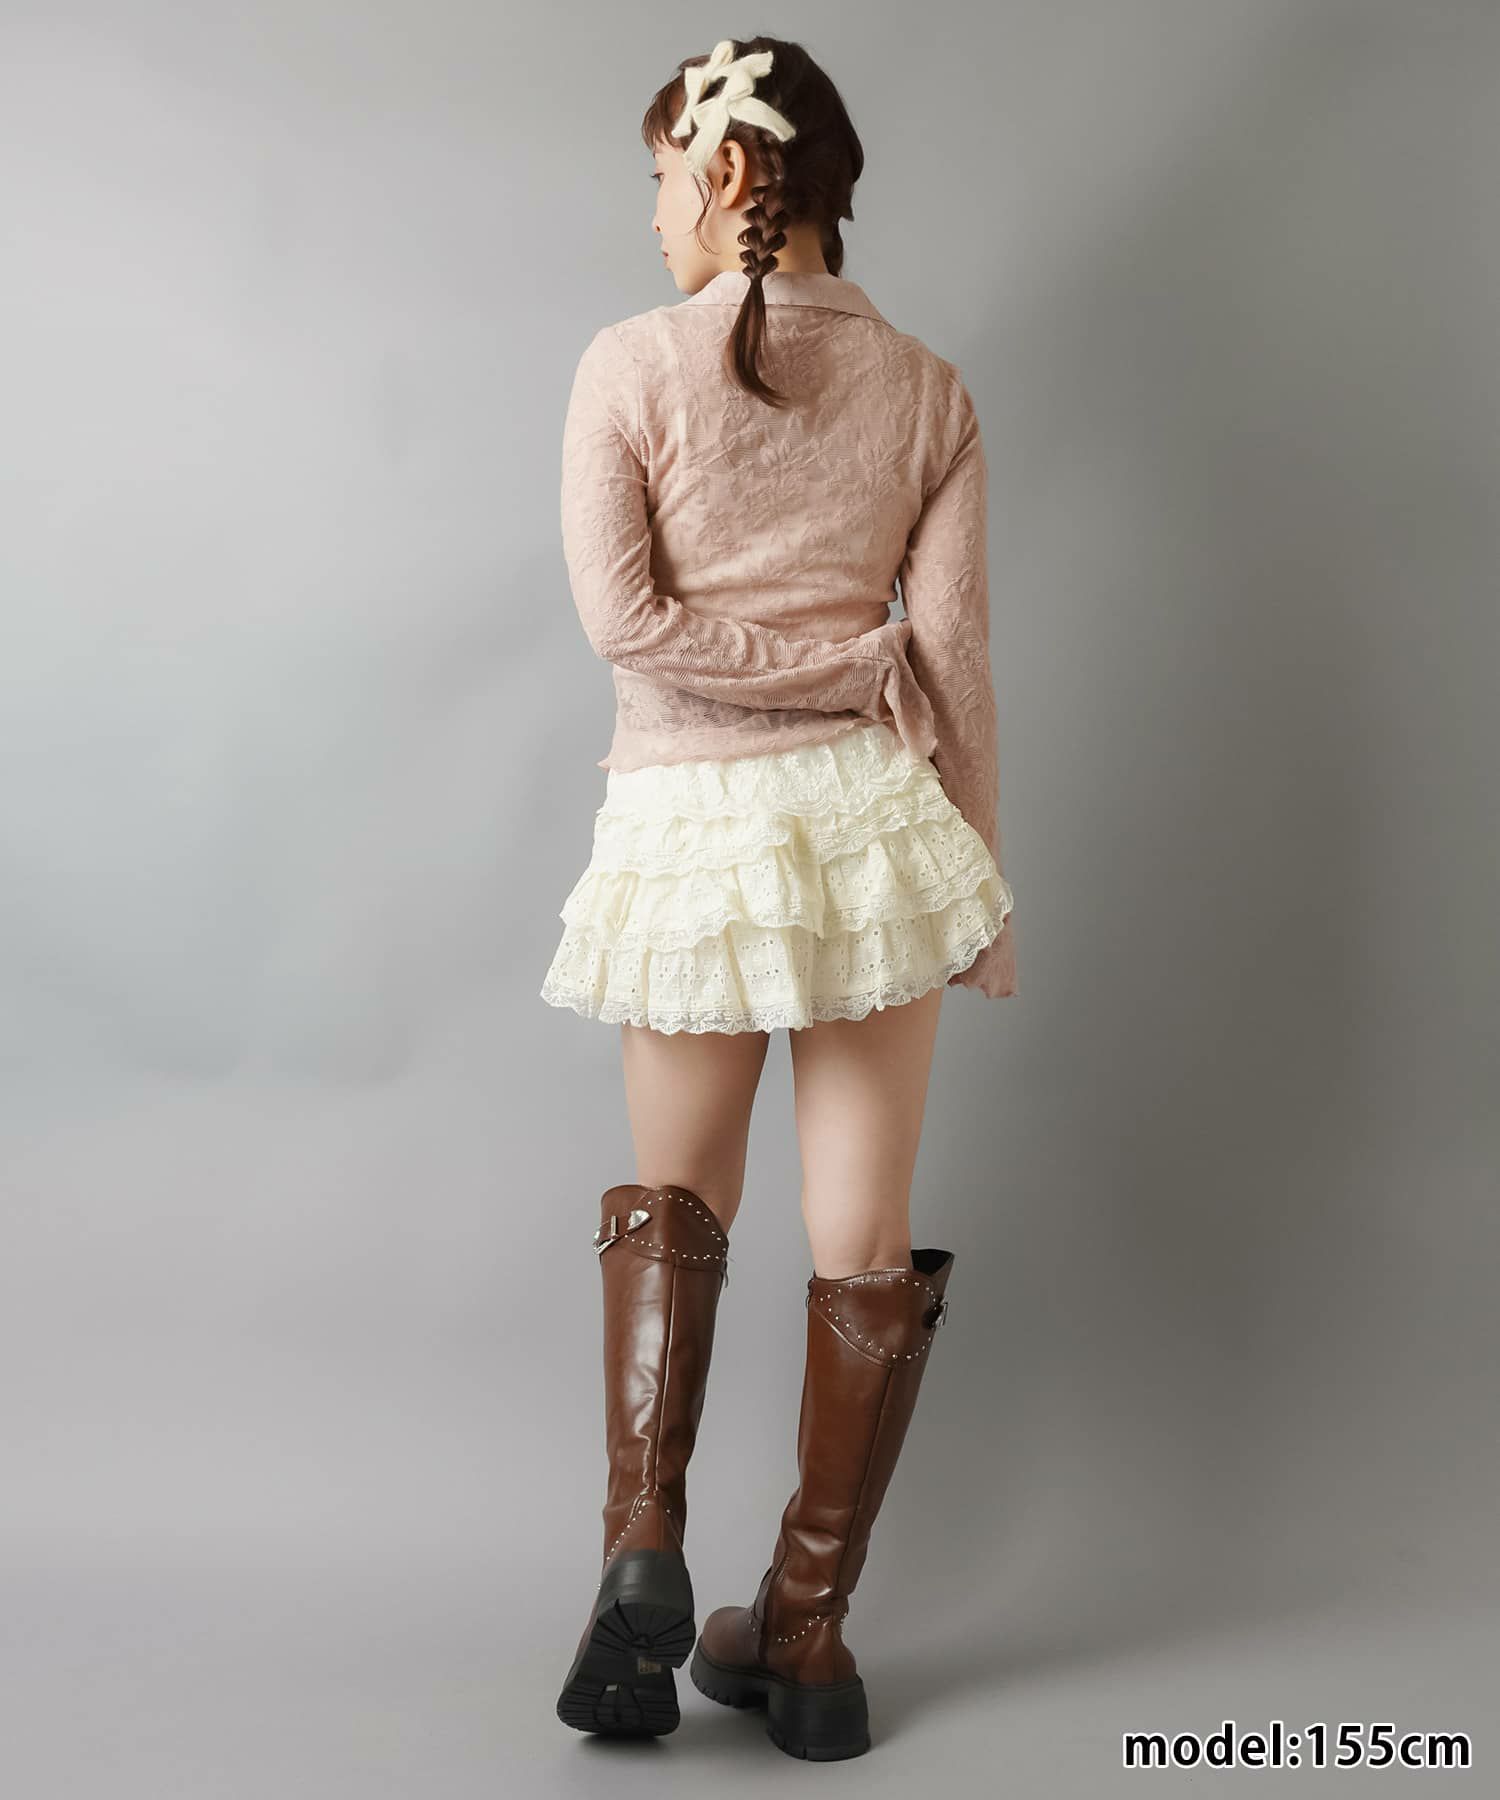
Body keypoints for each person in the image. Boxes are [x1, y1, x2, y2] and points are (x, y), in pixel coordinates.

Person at [545, 35, 1017, 1762]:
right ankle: (809, 1637)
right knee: (862, 1237)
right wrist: (984, 877)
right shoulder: (931, 389)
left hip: (691, 827)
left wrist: (795, 677)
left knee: (678, 1197)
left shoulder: (627, 364)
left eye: (661, 174)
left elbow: (626, 625)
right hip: (879, 832)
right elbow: (948, 662)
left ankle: (643, 1551)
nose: (653, 210)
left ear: (730, 171)